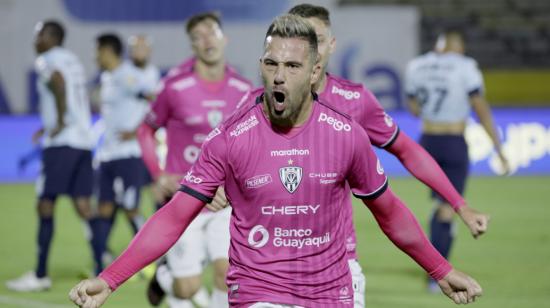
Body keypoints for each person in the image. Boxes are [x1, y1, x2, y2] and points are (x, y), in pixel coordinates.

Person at [69, 14, 482, 307]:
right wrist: (110, 280)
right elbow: (175, 215)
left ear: (315, 70)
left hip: (331, 292)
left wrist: (441, 270)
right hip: (258, 292)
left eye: (291, 65)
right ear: (261, 68)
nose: (279, 76)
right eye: (271, 64)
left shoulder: (346, 135)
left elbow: (390, 212)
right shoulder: (231, 137)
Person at [288, 3, 490, 304]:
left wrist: (459, 203)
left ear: (332, 44)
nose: (311, 47)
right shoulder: (260, 105)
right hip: (268, 265)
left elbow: (407, 151)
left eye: (317, 38)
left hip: (336, 264)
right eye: (301, 39)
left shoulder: (354, 101)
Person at [137, 12, 252, 308]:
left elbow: (251, 142)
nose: (206, 40)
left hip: (224, 199)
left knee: (227, 274)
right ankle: (166, 276)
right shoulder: (174, 86)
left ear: (224, 38)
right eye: (197, 37)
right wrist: (158, 174)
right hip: (184, 196)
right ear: (192, 46)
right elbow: (146, 129)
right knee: (187, 288)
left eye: (211, 32)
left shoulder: (243, 89)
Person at [405, 30, 509, 291]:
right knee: (448, 210)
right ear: (457, 46)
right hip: (453, 142)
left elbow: (414, 108)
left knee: (441, 206)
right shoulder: (466, 66)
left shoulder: (417, 65)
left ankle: (433, 265)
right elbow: (480, 107)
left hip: (426, 142)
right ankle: (436, 275)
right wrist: (499, 148)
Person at [6, 20, 104, 292]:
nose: (35, 40)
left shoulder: (45, 59)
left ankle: (40, 275)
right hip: (83, 141)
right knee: (84, 206)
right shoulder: (74, 60)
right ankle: (101, 268)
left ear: (50, 37)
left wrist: (59, 122)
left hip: (62, 143)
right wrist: (51, 123)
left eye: (38, 35)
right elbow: (71, 92)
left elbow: (57, 83)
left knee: (45, 204)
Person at [94, 33, 155, 269]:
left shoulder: (126, 76)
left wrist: (140, 129)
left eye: (97, 50)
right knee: (105, 208)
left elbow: (154, 99)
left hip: (129, 155)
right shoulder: (108, 76)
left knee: (131, 209)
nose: (95, 56)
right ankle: (99, 265)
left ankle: (152, 258)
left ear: (108, 51)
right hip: (107, 155)